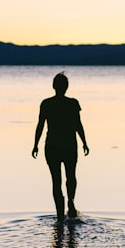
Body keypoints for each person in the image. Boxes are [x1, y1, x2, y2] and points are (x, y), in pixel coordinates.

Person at [32, 72, 89, 221]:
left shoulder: (46, 104)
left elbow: (40, 126)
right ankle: (70, 202)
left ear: (54, 86)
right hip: (69, 146)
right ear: (66, 87)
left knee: (56, 181)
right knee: (71, 176)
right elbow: (78, 125)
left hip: (52, 147)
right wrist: (84, 142)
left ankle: (59, 216)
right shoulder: (72, 103)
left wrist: (35, 145)